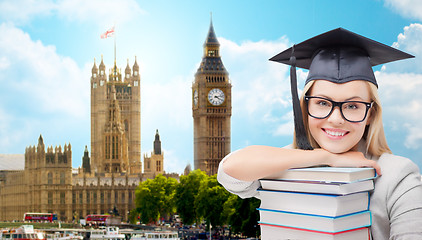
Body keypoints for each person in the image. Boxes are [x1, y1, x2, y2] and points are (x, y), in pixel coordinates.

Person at [217, 28, 422, 239]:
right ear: (305, 108)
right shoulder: (285, 163)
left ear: (370, 113)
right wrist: (326, 158)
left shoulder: (398, 176)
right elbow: (230, 171)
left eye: (352, 106)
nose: (336, 119)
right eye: (322, 103)